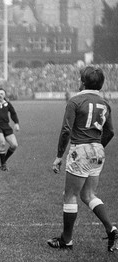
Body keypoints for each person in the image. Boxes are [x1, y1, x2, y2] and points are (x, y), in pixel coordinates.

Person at [48, 66, 117, 252]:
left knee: (70, 196)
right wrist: (96, 145)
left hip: (81, 150)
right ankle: (111, 228)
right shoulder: (105, 103)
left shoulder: (75, 101)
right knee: (89, 195)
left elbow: (66, 131)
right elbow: (110, 131)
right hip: (98, 151)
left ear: (83, 82)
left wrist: (58, 156)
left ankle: (66, 241)